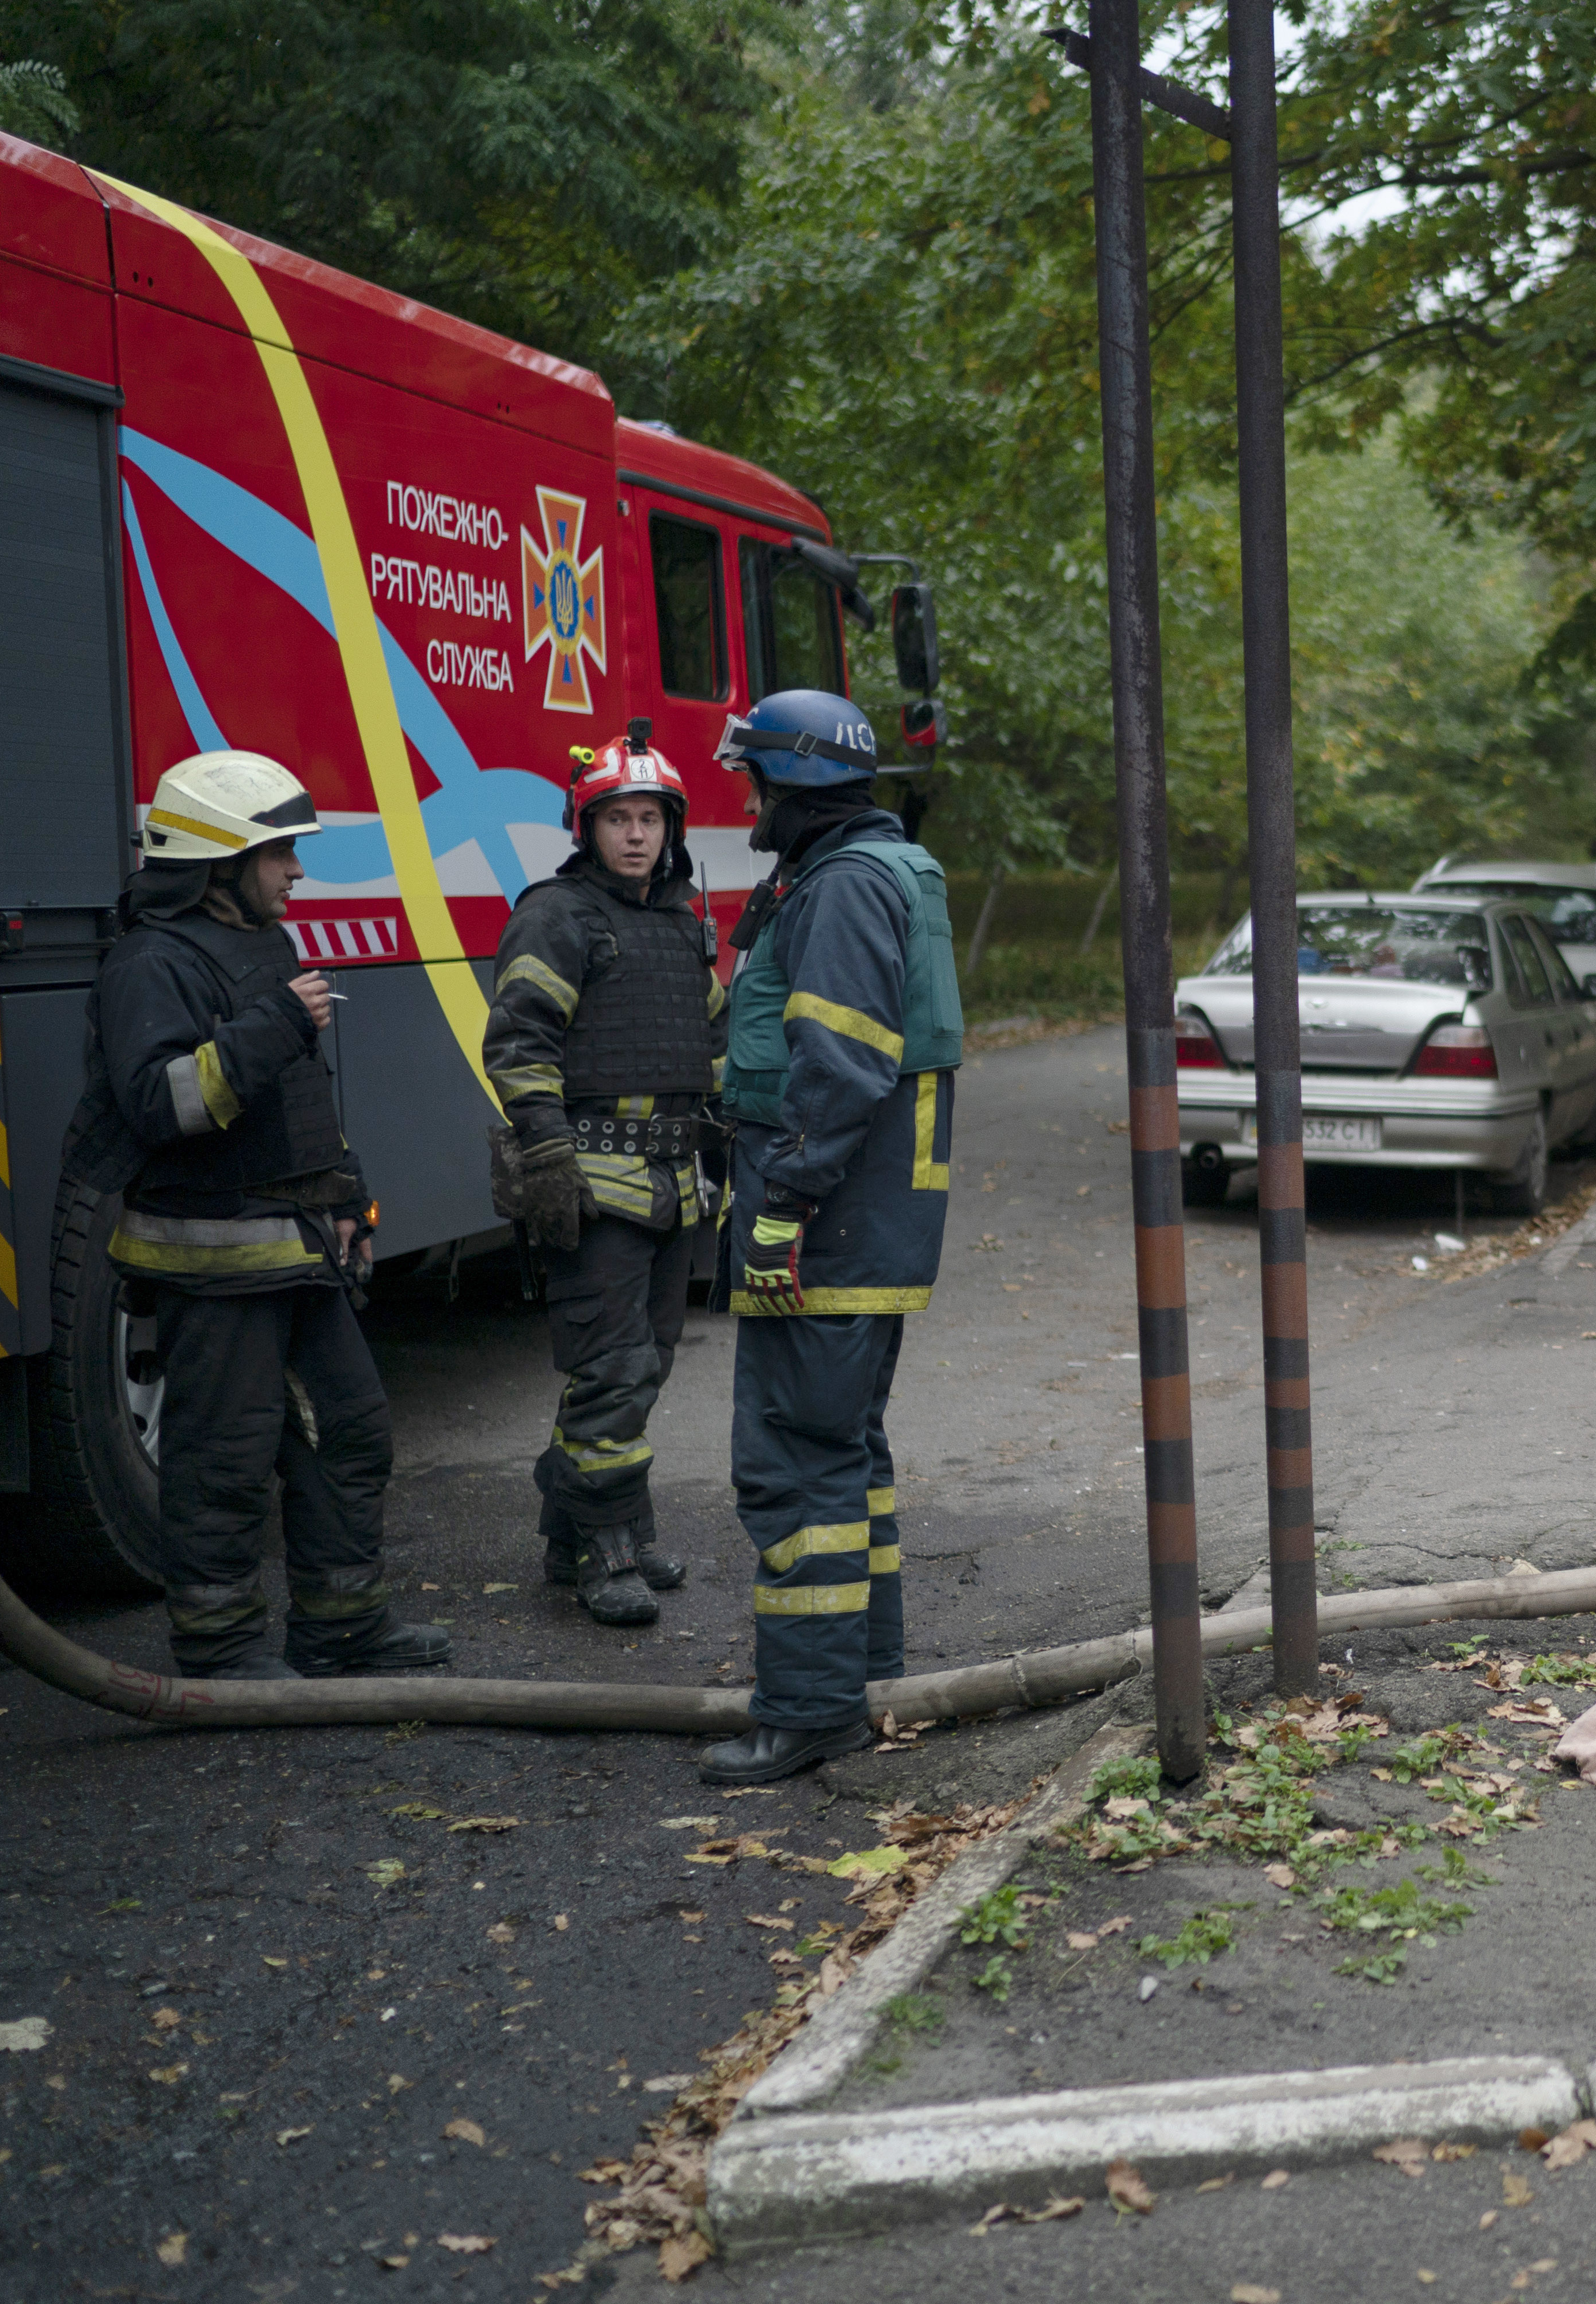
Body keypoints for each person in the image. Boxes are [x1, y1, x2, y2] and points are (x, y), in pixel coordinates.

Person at [60, 752, 453, 1679]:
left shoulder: (263, 948)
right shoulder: (148, 965)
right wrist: (274, 1023)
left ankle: (343, 1627)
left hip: (301, 1248)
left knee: (351, 1430)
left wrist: (349, 1192)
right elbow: (163, 1107)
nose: (296, 871)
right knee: (222, 1460)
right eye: (278, 852)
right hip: (214, 1264)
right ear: (218, 861)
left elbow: (298, 1101)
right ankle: (220, 1645)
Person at [698, 690, 960, 1786]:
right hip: (866, 1228)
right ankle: (869, 1676)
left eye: (755, 777)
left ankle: (809, 1710)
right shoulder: (872, 870)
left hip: (832, 1228)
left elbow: (842, 1068)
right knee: (847, 1453)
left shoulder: (847, 886)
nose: (748, 798)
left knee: (797, 1464)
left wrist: (780, 1206)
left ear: (793, 784)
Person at [480, 723, 725, 1628]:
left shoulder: (679, 922)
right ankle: (606, 1552)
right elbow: (519, 1042)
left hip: (673, 1183)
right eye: (616, 818)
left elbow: (715, 1039)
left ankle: (575, 1524)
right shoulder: (556, 915)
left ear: (672, 828)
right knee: (613, 1369)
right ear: (586, 828)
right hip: (590, 1181)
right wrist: (545, 1153)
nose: (635, 835)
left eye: (650, 818)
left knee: (643, 1366)